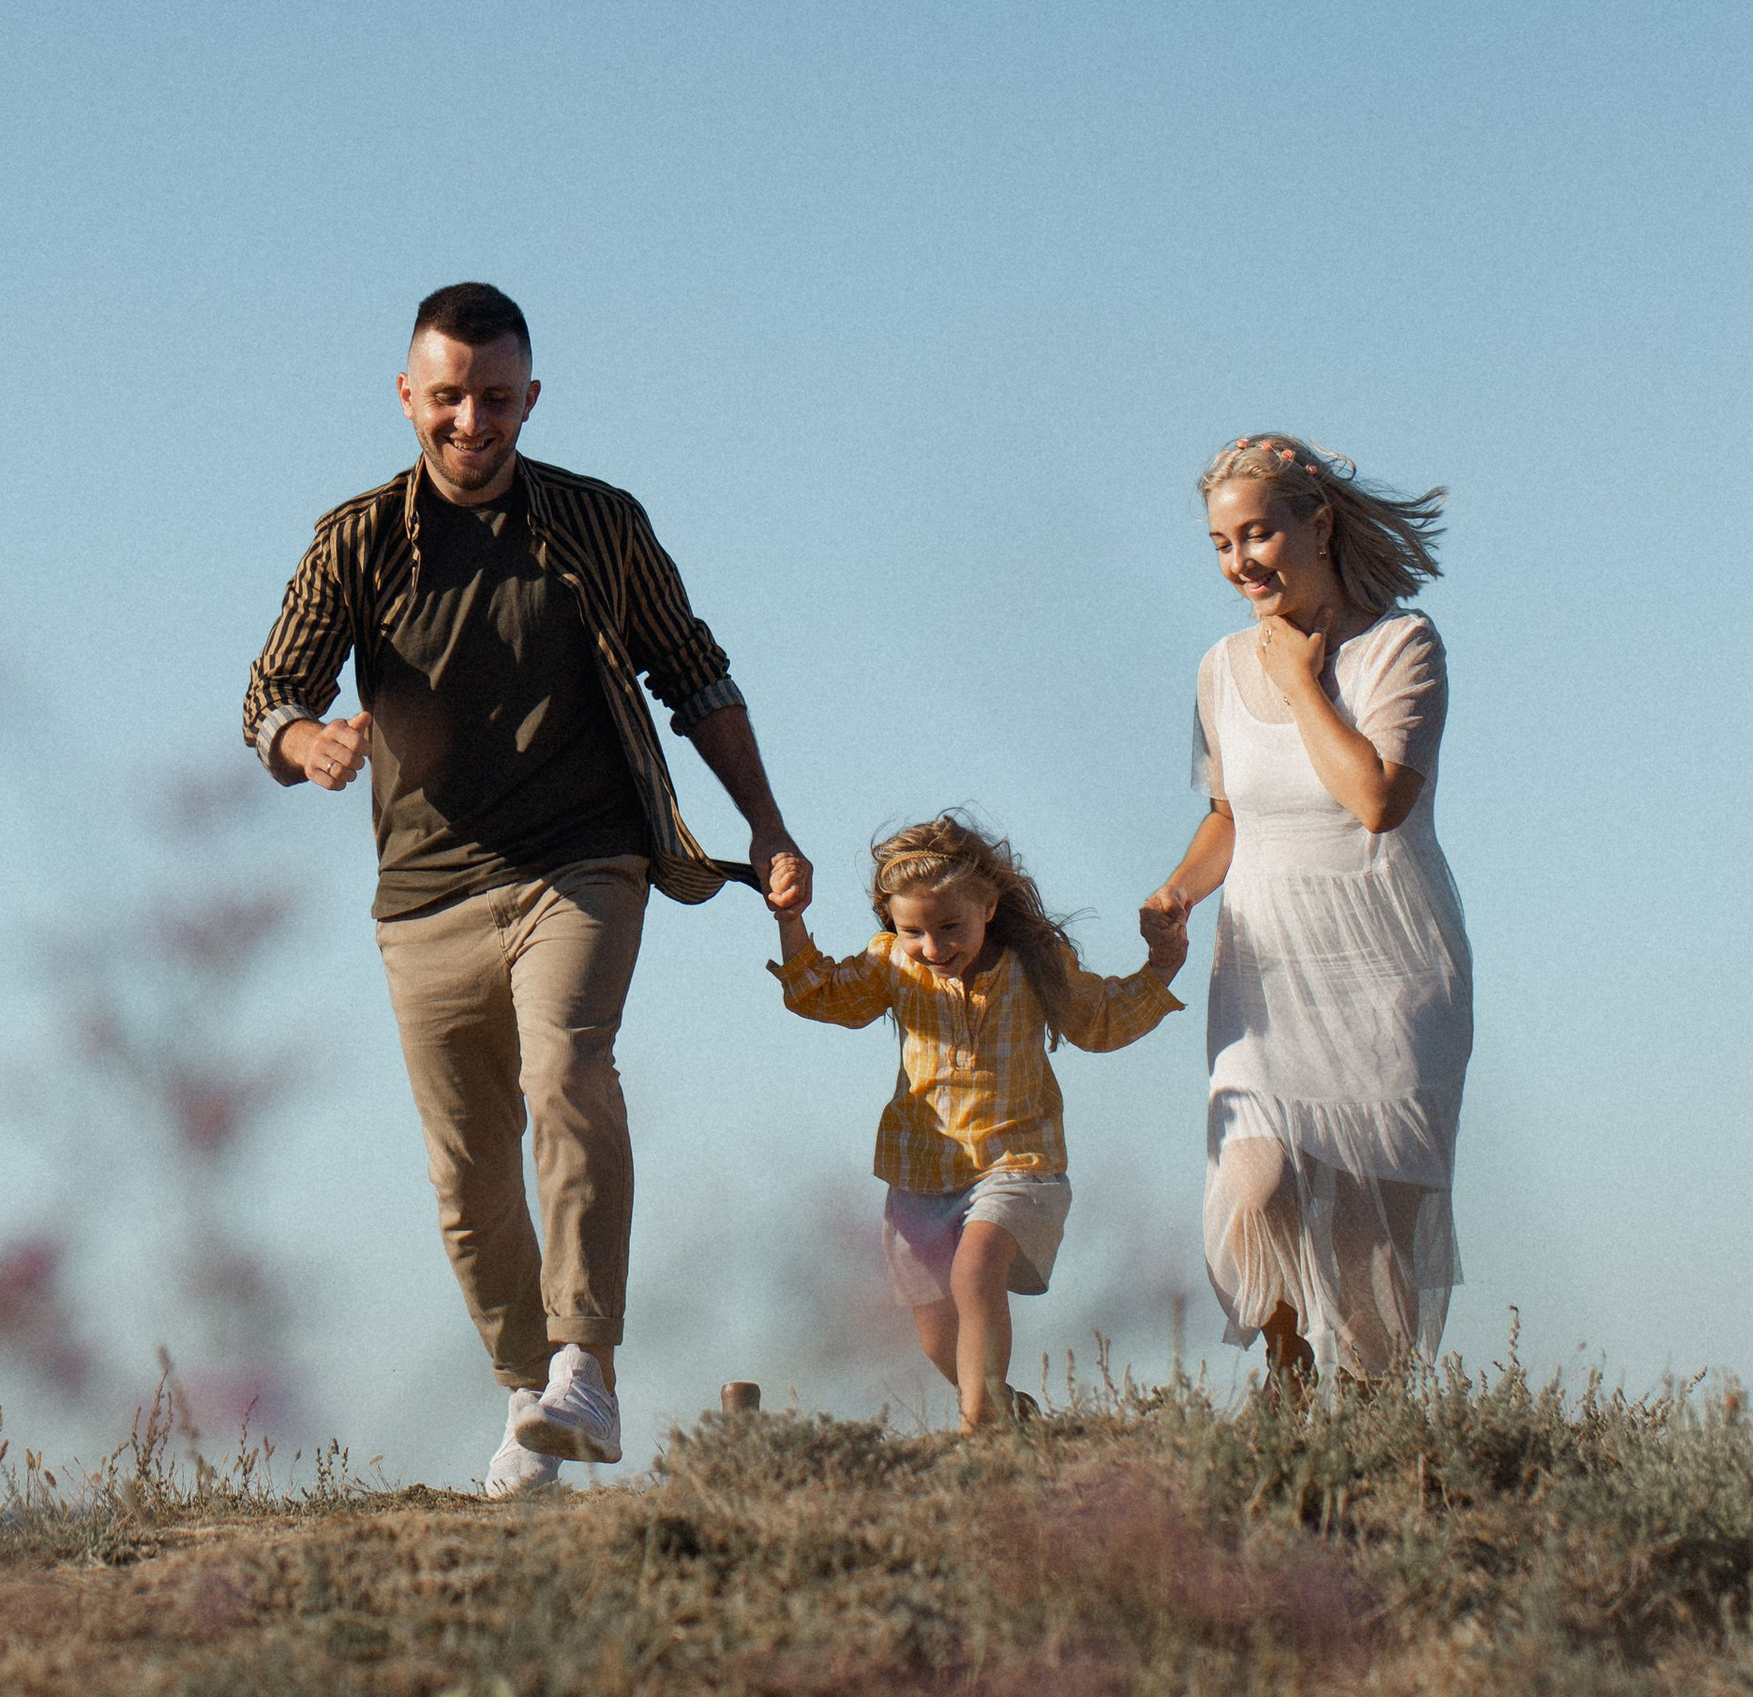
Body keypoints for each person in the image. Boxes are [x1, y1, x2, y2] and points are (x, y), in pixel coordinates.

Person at [244, 282, 813, 1496]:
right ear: (408, 395)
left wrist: (764, 823)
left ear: (531, 399)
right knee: (466, 1175)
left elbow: (693, 673)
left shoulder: (598, 523)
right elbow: (270, 695)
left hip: (583, 863)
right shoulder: (356, 539)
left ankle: (586, 1368)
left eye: (495, 398)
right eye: (448, 397)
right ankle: (529, 1394)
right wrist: (308, 744)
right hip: (426, 895)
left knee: (568, 1070)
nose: (472, 421)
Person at [1140, 434, 1472, 1397]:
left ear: (1318, 525)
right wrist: (1177, 891)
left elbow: (1375, 800)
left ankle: (1369, 1427)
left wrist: (1298, 682)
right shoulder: (1217, 669)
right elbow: (1229, 817)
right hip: (1268, 970)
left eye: (1258, 534)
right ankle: (1287, 1376)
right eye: (1220, 543)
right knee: (1255, 1185)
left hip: (1390, 969)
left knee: (1369, 1236)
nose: (1240, 562)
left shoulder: (1402, 647)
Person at [770, 812, 1186, 1430]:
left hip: (1017, 1162)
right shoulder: (892, 963)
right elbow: (822, 994)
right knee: (937, 1338)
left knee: (976, 1269)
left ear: (988, 907)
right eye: (913, 931)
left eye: (950, 927)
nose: (933, 948)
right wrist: (791, 921)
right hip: (920, 1171)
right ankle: (1001, 1408)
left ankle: (976, 1430)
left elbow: (1097, 1020)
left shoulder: (1033, 962)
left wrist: (1162, 966)